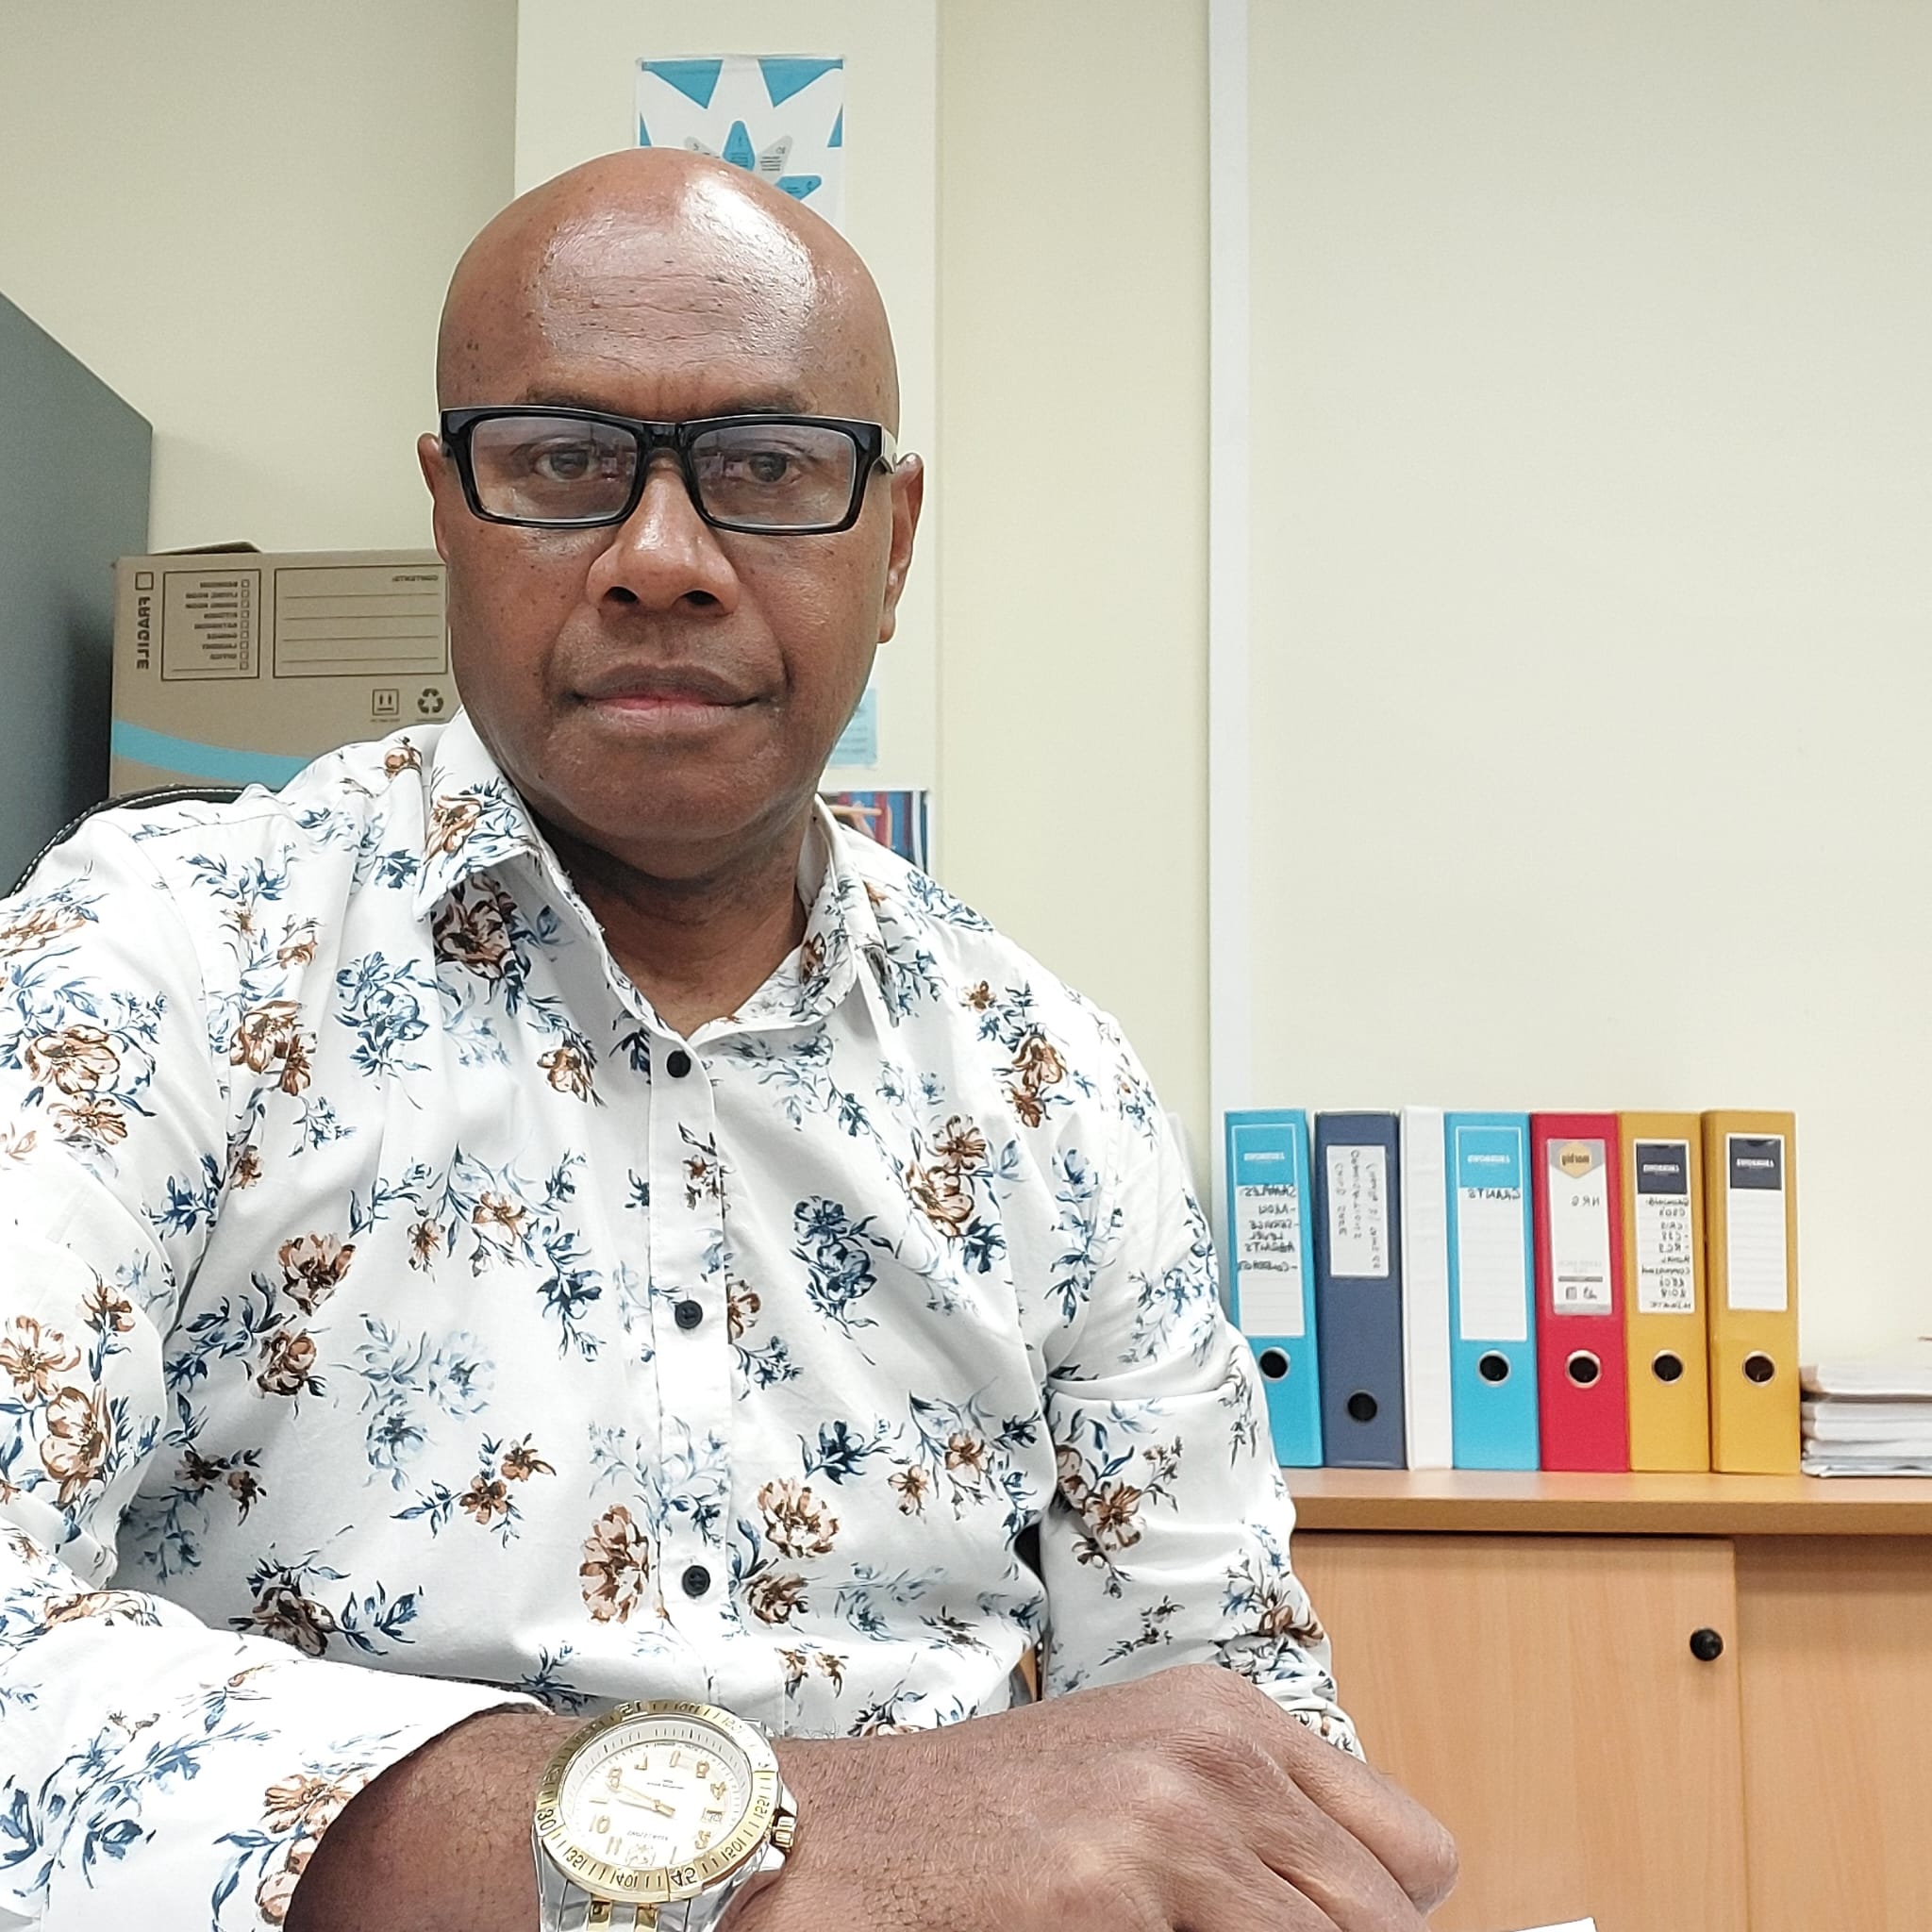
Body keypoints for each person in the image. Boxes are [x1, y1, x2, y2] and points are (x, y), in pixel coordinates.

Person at [0, 150, 1455, 1930]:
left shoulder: (1047, 1087)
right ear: (448, 508)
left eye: (769, 471)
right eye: (560, 462)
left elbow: (1229, 1716)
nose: (664, 561)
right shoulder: (153, 962)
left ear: (895, 541)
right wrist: (766, 1846)